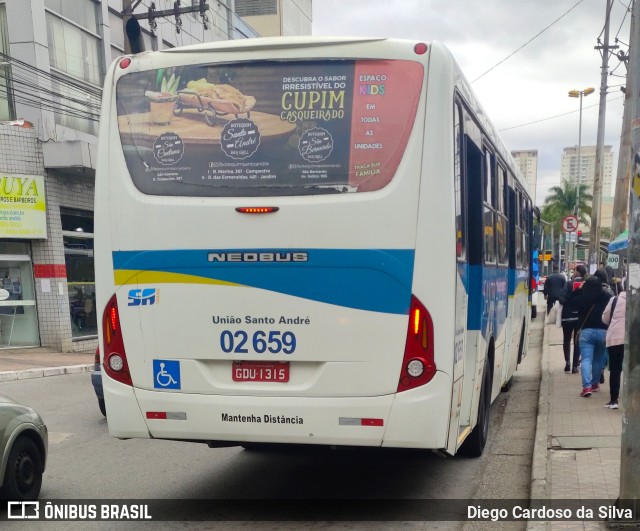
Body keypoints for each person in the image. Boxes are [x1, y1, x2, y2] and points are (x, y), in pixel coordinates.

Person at [572, 270, 613, 397]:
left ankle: (587, 387)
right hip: (603, 331)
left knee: (586, 359)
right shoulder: (607, 296)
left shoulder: (583, 296)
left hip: (586, 331)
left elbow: (570, 302)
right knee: (598, 359)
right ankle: (595, 384)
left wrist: (578, 289)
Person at [601, 277, 626, 409]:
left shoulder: (615, 300)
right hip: (632, 341)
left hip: (615, 338)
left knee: (615, 370)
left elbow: (605, 317)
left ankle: (614, 400)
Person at [558, 264, 587, 373]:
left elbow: (561, 299)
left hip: (567, 316)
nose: (573, 272)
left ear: (578, 272)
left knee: (566, 339)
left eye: (574, 271)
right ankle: (575, 366)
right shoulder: (586, 285)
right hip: (580, 317)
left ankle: (567, 363)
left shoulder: (569, 284)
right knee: (577, 341)